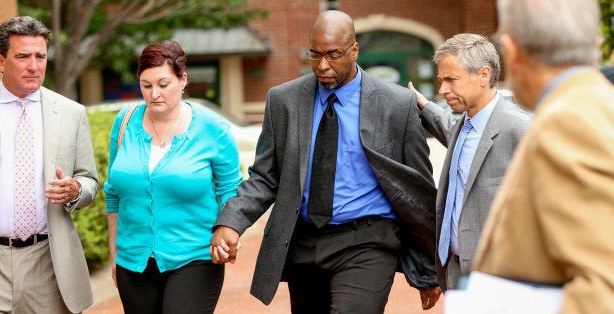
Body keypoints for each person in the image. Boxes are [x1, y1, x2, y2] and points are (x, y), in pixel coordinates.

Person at [210, 10, 441, 313]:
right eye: (315, 55)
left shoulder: (396, 104)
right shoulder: (284, 101)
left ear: (354, 51)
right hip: (304, 241)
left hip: (367, 240)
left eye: (333, 55)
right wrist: (231, 221)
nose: (322, 66)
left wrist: (428, 270)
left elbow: (417, 193)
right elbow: (266, 176)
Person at [472, 0, 614, 312]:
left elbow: (603, 289)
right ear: (595, 44)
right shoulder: (595, 104)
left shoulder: (568, 120)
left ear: (511, 50)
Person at [104, 40, 243, 313]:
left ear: (182, 80)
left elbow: (231, 190)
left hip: (195, 258)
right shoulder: (124, 122)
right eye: (146, 85)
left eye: (163, 84)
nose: (154, 93)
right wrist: (115, 255)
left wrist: (229, 231)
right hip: (133, 263)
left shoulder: (213, 128)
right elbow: (113, 193)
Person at [0, 16, 99, 313]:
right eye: (22, 56)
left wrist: (76, 190)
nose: (34, 66)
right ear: (1, 60)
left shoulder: (72, 113)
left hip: (48, 262)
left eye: (40, 56)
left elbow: (90, 180)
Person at [407, 33, 531, 291]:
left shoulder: (521, 130)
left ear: (484, 75)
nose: (442, 90)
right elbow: (446, 125)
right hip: (455, 272)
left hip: (500, 280)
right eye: (440, 80)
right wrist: (422, 104)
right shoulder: (463, 125)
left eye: (452, 80)